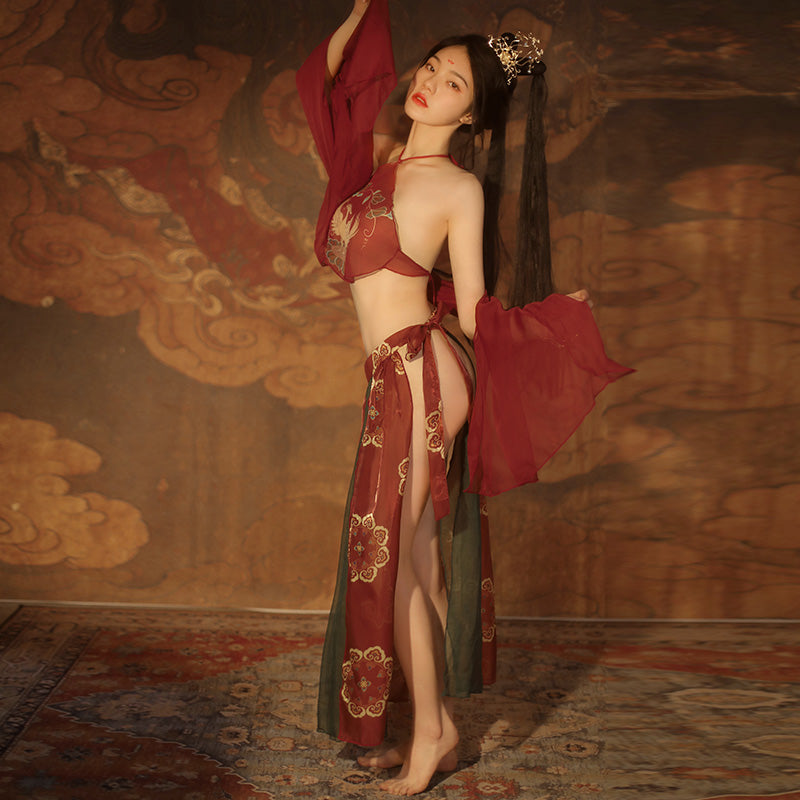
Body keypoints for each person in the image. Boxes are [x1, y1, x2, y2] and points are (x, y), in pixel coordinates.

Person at [296, 0, 632, 794]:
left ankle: (432, 734)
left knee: (396, 567)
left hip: (422, 372)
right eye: (431, 68)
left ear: (473, 113)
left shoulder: (457, 189)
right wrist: (360, 10)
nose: (430, 84)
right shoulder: (378, 163)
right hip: (389, 376)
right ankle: (437, 729)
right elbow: (325, 88)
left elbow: (476, 310)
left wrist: (552, 325)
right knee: (414, 561)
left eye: (454, 83)